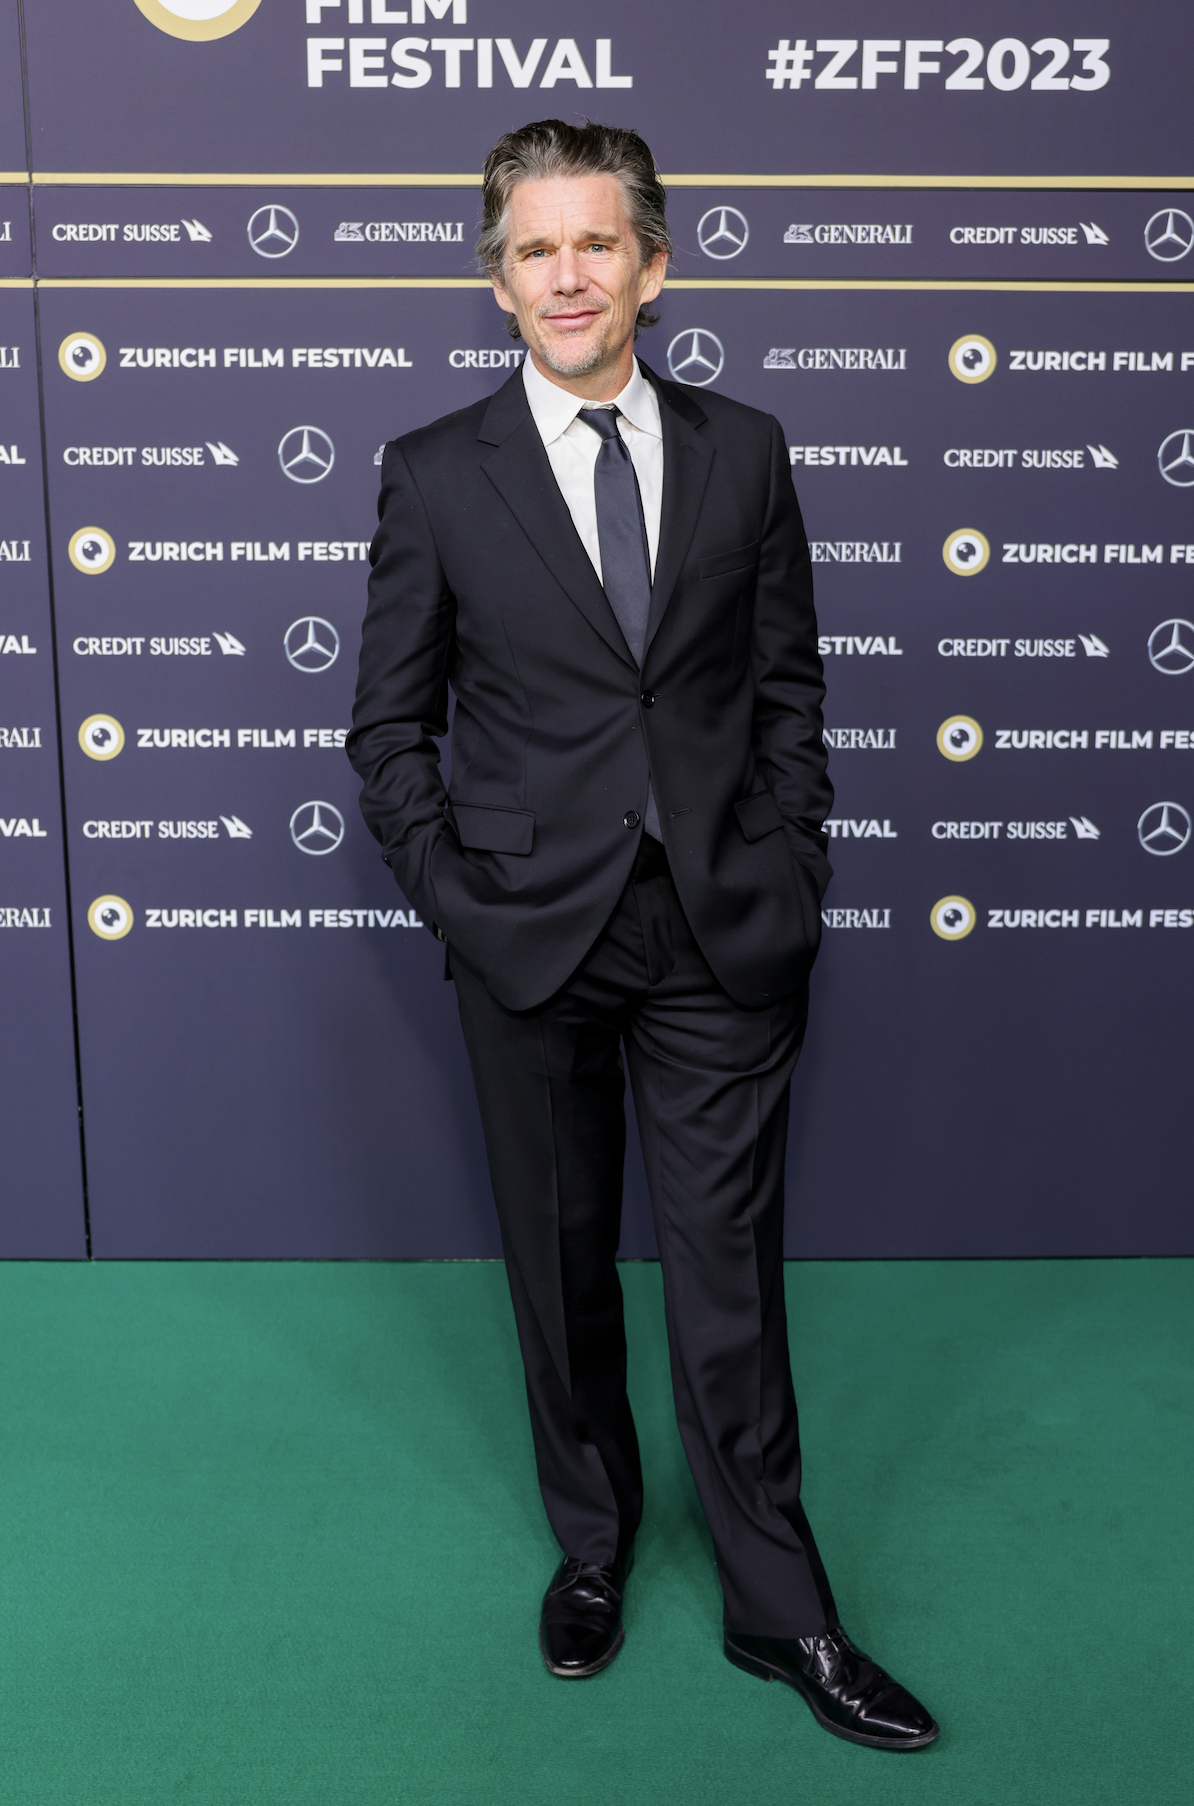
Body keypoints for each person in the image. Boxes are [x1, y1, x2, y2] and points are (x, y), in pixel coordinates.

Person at [348, 119, 937, 1751]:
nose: (566, 275)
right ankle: (592, 1549)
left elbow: (789, 683)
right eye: (533, 249)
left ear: (653, 266)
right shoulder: (432, 470)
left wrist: (789, 857)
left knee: (726, 1278)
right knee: (555, 1267)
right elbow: (386, 726)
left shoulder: (746, 448)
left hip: (720, 930)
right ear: (495, 278)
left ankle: (782, 1608)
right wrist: (456, 894)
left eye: (594, 244)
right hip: (524, 935)